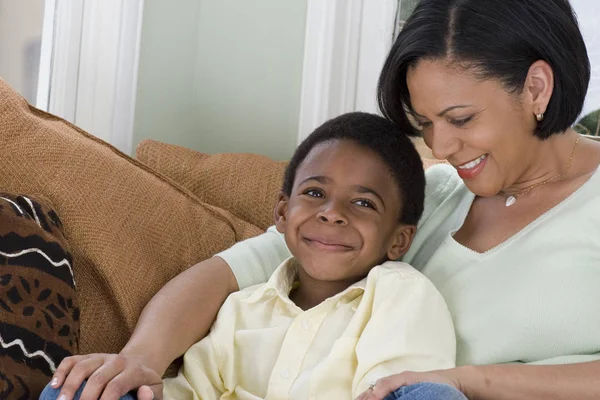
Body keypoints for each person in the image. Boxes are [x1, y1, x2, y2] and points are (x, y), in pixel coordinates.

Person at [46, 0, 600, 399]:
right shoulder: (424, 197)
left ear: (536, 88)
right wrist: (141, 359)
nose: (441, 145)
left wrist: (466, 382)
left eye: (461, 119)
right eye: (425, 122)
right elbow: (230, 271)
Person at [42, 113, 460, 400]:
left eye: (364, 204)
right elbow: (193, 391)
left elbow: (395, 388)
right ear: (281, 212)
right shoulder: (242, 308)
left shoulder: (399, 295)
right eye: (315, 193)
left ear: (399, 240)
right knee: (81, 386)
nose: (332, 213)